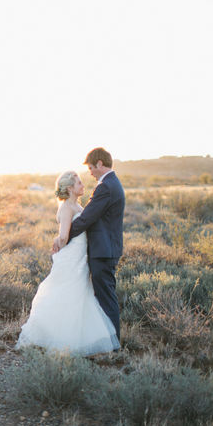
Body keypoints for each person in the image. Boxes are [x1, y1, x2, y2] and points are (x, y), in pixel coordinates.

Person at [15, 169, 120, 356]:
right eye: (79, 183)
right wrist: (58, 240)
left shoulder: (78, 206)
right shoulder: (66, 207)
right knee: (67, 293)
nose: (83, 185)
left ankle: (77, 339)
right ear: (70, 188)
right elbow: (64, 235)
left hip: (81, 256)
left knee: (80, 295)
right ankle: (58, 338)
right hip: (71, 257)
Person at [59, 147, 125, 341]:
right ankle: (107, 340)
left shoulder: (106, 186)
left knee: (106, 298)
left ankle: (112, 343)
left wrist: (63, 238)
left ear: (99, 164)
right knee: (104, 296)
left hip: (103, 251)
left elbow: (87, 218)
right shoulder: (113, 183)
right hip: (106, 249)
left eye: (91, 168)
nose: (90, 173)